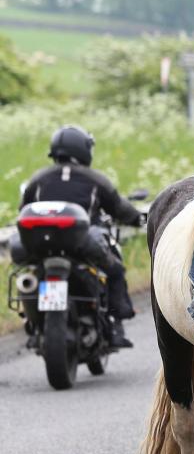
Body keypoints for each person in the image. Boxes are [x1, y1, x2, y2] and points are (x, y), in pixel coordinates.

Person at [19, 124, 144, 348]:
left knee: (27, 272)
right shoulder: (95, 179)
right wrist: (137, 219)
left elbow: (24, 208)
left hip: (41, 247)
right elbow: (119, 208)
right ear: (83, 149)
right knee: (114, 269)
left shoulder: (38, 179)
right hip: (82, 246)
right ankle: (116, 323)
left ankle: (30, 319)